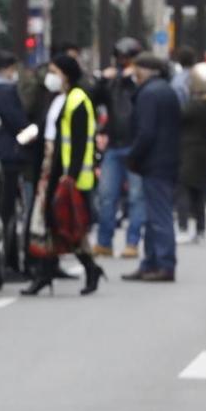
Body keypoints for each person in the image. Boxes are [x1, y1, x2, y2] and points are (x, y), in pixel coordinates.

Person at [25, 53, 103, 295]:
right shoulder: (56, 98)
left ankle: (90, 267)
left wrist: (71, 176)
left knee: (68, 224)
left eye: (54, 72)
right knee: (48, 223)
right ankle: (44, 274)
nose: (50, 77)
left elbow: (80, 141)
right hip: (50, 166)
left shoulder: (78, 99)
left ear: (66, 75)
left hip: (68, 174)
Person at [0, 49, 37, 279]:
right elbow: (18, 124)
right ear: (8, 68)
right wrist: (34, 136)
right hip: (8, 158)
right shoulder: (4, 89)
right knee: (7, 212)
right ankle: (10, 263)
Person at [123, 52, 181, 282]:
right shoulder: (166, 91)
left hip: (154, 161)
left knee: (158, 215)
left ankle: (164, 263)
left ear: (145, 70)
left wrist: (133, 156)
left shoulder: (148, 94)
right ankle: (151, 262)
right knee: (154, 214)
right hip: (167, 158)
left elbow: (146, 132)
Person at [90, 38, 148, 259]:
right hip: (114, 144)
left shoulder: (142, 83)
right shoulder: (112, 83)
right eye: (121, 59)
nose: (125, 63)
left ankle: (132, 242)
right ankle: (104, 241)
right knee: (107, 195)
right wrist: (102, 81)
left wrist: (132, 80)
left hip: (134, 144)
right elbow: (94, 99)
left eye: (129, 59)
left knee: (136, 196)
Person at [177, 61, 206, 245]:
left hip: (188, 149)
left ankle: (183, 227)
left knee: (183, 189)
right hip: (204, 149)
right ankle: (200, 228)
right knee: (199, 191)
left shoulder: (193, 106)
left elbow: (179, 117)